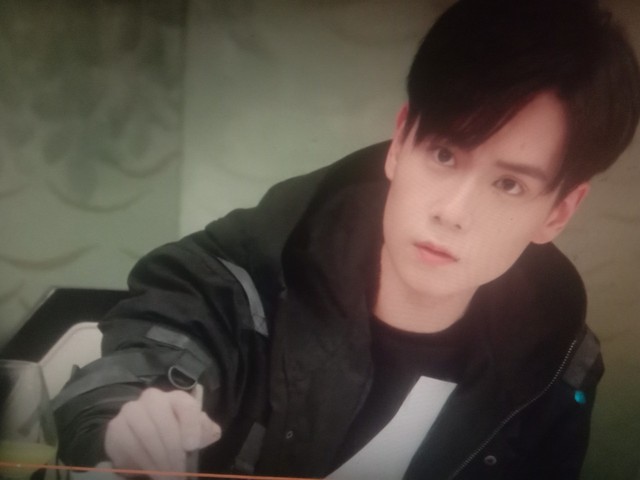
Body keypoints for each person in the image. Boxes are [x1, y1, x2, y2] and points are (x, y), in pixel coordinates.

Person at [53, 0, 640, 478]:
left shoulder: (558, 366)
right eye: (443, 154)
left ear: (558, 212)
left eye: (509, 184)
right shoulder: (239, 276)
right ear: (400, 141)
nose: (453, 213)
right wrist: (127, 426)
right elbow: (138, 368)